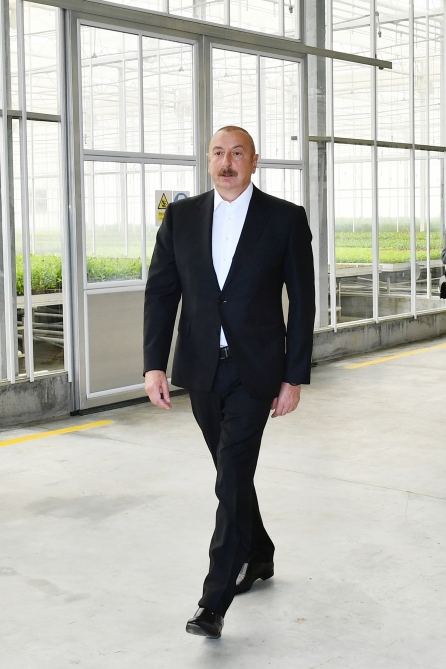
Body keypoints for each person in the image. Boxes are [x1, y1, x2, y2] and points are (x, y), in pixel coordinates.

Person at [143, 126, 315, 639]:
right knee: (231, 474)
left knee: (231, 475)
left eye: (237, 153)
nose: (226, 163)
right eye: (218, 153)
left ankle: (213, 601)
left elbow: (303, 301)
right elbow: (161, 292)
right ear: (208, 160)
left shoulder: (284, 219)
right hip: (201, 367)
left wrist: (294, 375)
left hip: (254, 370)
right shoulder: (181, 217)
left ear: (254, 161)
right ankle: (259, 552)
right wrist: (154, 365)